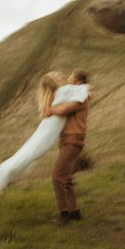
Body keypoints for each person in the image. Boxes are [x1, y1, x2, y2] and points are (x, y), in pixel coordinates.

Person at [0, 70, 91, 194]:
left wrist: (51, 109)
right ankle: (3, 173)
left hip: (62, 136)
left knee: (31, 152)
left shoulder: (60, 96)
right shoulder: (66, 92)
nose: (65, 78)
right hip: (65, 137)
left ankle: (3, 173)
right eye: (59, 76)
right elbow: (79, 95)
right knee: (36, 156)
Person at [44, 69, 91, 226]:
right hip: (68, 140)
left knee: (57, 176)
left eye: (70, 78)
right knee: (66, 178)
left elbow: (64, 110)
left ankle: (64, 214)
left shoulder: (81, 96)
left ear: (77, 81)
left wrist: (50, 110)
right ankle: (75, 212)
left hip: (73, 140)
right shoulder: (76, 95)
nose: (67, 80)